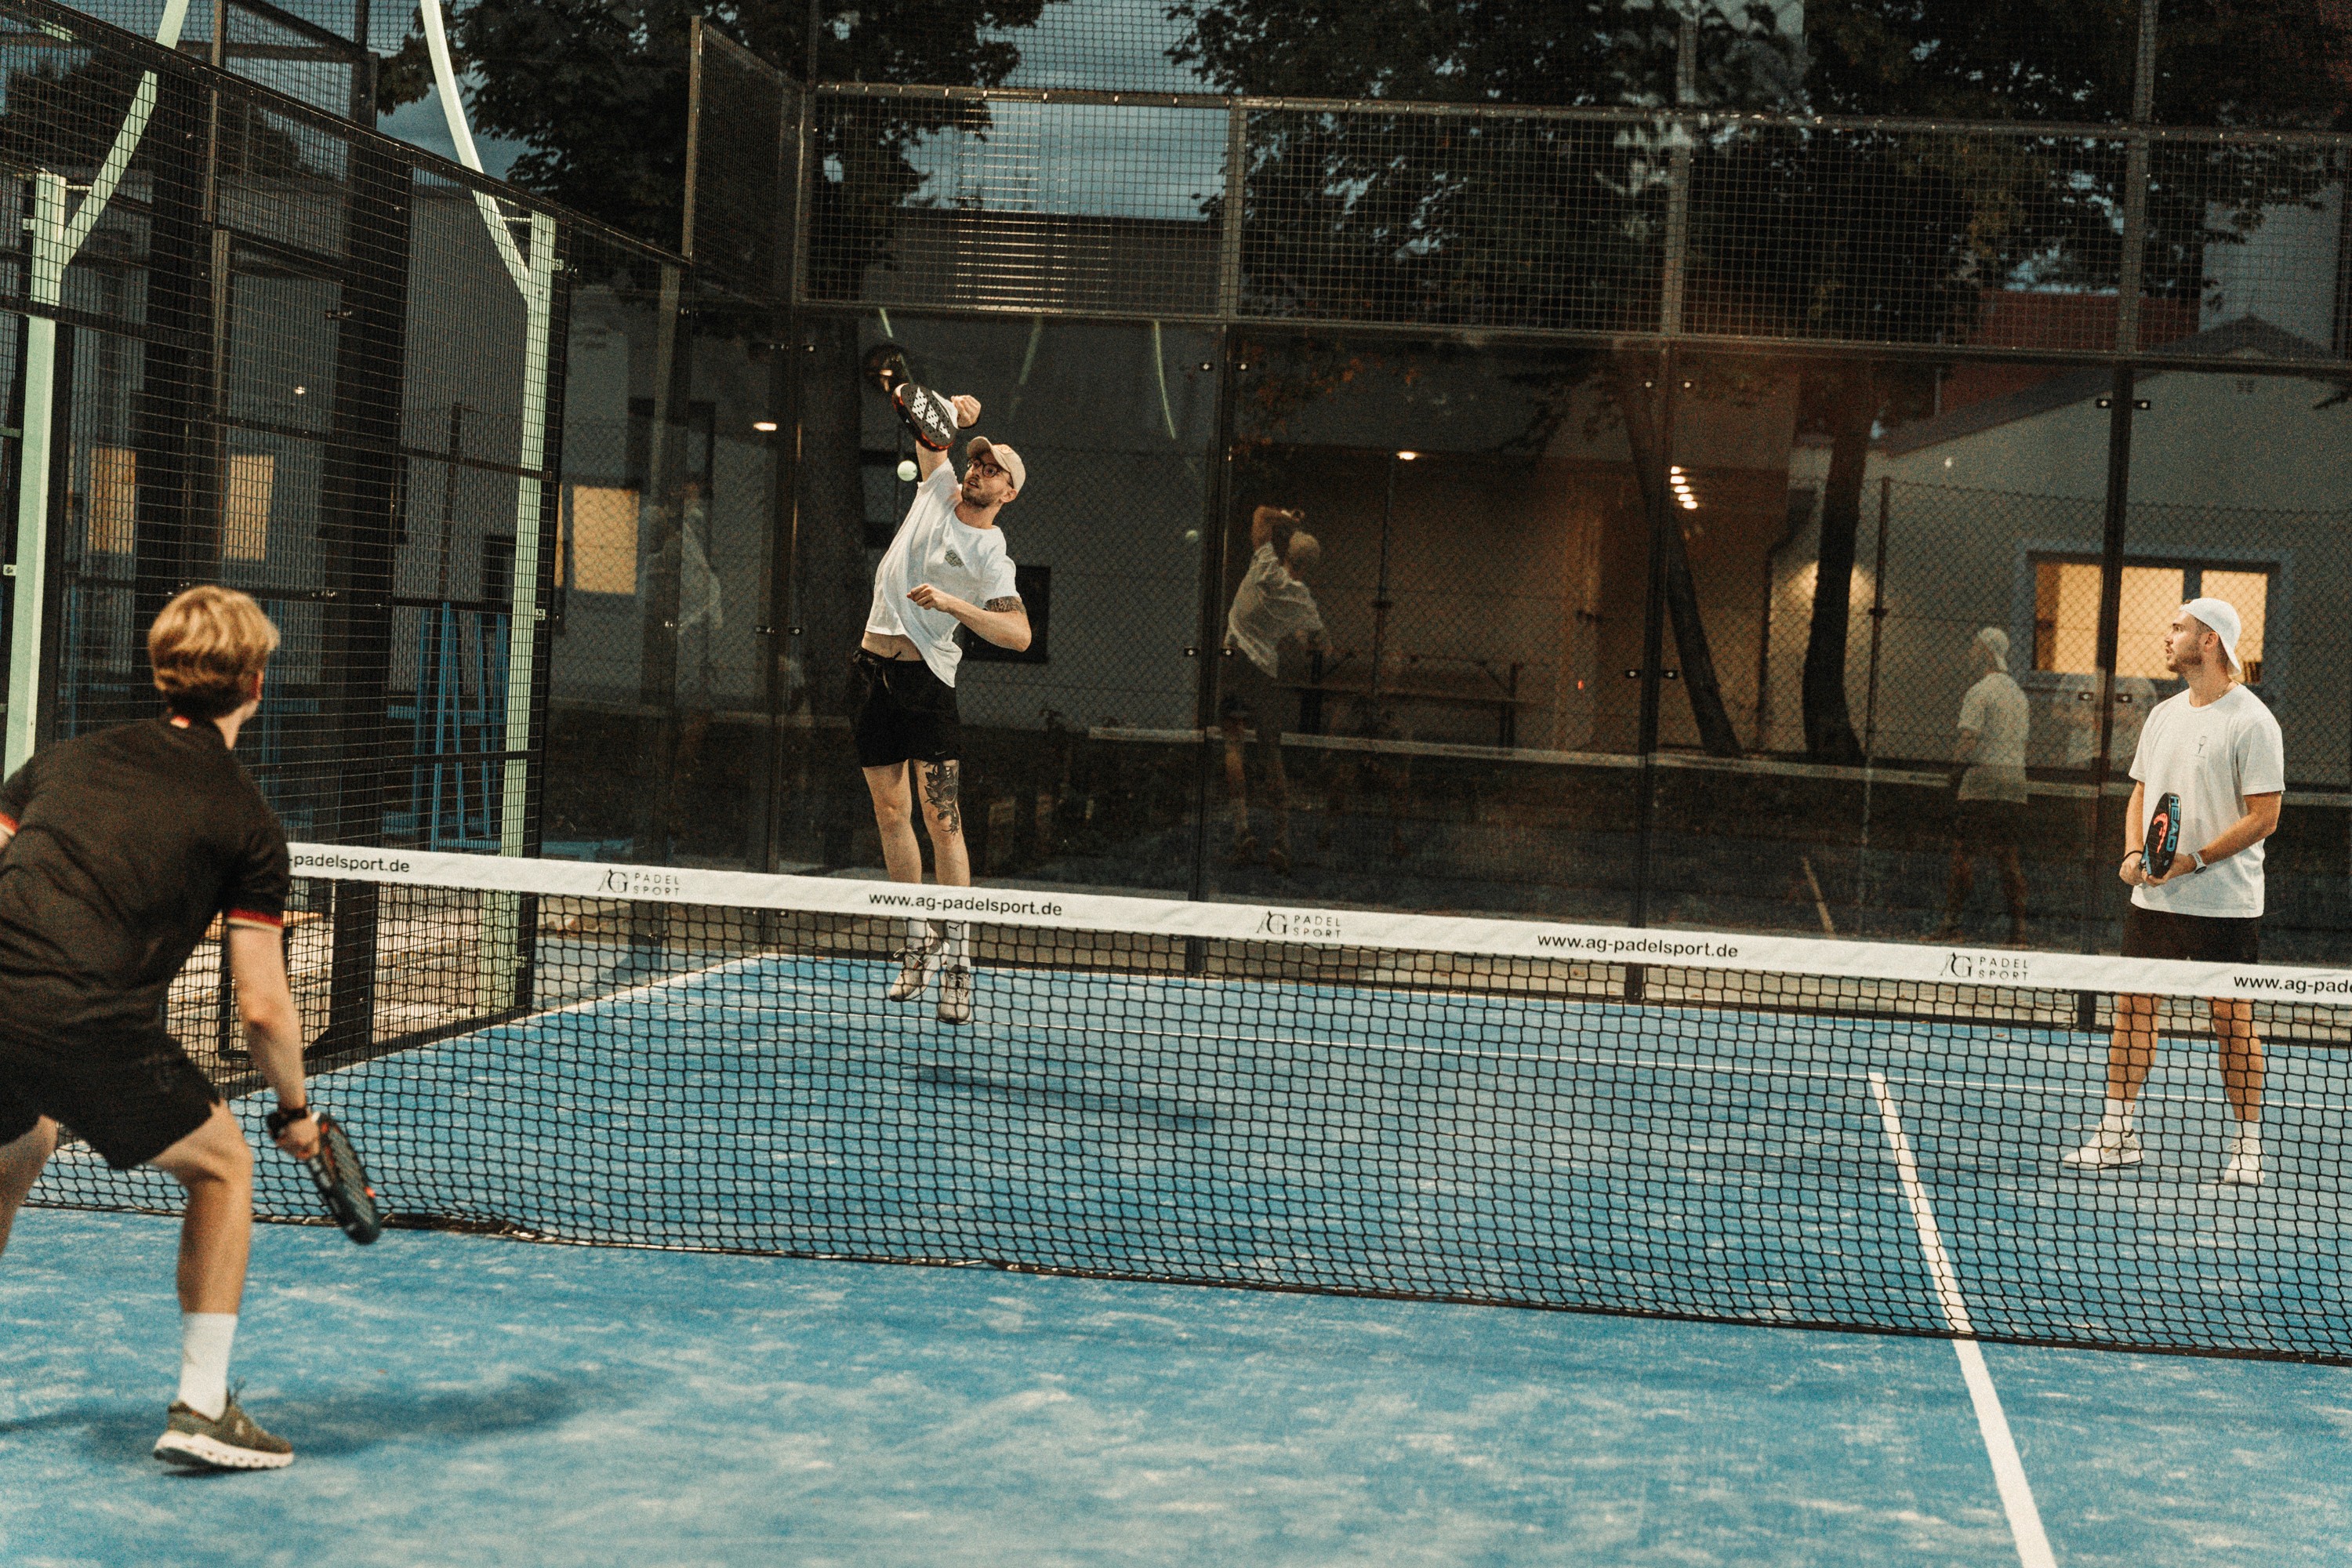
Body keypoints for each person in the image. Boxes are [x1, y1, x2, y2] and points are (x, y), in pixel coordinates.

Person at [0, 586, 318, 1469]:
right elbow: (262, 1005)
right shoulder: (249, 819)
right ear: (256, 681)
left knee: (16, 1148)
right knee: (225, 1166)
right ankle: (202, 1405)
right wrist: (295, 1110)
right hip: (83, 1014)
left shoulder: (60, 760)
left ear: (161, 671)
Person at [2063, 597, 2282, 1185]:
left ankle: (2246, 1148)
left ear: (2209, 640)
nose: (2167, 636)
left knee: (2231, 1019)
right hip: (2155, 899)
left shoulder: (2253, 721)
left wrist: (2195, 861)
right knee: (2133, 1009)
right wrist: (2134, 853)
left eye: (2178, 628)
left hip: (2225, 904)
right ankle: (2116, 1134)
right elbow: (2140, 793)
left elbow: (2265, 817)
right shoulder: (2163, 716)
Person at [853, 393, 1031, 1025]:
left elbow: (1019, 635)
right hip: (872, 671)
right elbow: (914, 408)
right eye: (978, 462)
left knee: (943, 818)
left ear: (1008, 493)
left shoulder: (991, 554)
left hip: (928, 682)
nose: (979, 470)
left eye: (993, 469)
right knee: (889, 810)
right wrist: (956, 413)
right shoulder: (938, 484)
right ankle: (914, 939)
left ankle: (958, 958)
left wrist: (958, 608)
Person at [1221, 506, 1323, 873]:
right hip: (1265, 674)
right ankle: (1281, 839)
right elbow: (1318, 643)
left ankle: (1242, 831)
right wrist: (1297, 634)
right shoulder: (1302, 599)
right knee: (1271, 754)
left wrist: (1290, 519)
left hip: (1235, 665)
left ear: (1286, 552)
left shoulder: (1264, 563)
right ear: (1307, 565)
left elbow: (1261, 514)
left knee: (1233, 745)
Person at [1933, 627, 2031, 946]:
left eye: (1975, 648)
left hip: (1981, 785)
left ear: (1988, 652)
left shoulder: (1979, 692)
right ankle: (2019, 933)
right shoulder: (2018, 695)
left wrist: (1953, 774)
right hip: (2014, 786)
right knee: (2008, 856)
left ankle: (1952, 927)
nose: (1970, 654)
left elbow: (1968, 738)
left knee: (1963, 853)